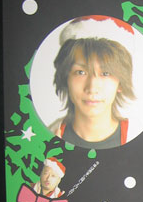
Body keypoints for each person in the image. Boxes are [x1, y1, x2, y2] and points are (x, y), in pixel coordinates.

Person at [51, 15, 136, 149]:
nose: (92, 88)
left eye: (105, 73)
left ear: (120, 82)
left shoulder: (138, 136)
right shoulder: (45, 140)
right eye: (81, 72)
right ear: (65, 77)